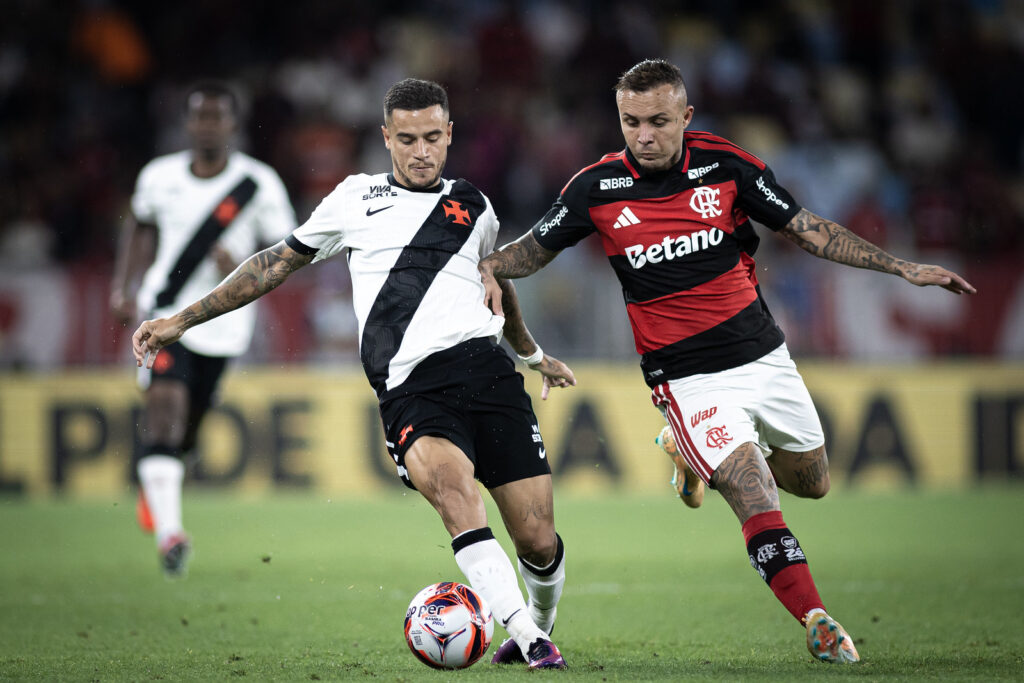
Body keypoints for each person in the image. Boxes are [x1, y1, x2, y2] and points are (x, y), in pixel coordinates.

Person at [477, 59, 976, 664]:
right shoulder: (595, 189)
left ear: (686, 116)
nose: (644, 136)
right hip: (686, 378)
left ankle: (686, 455)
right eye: (631, 123)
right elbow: (532, 251)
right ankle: (816, 617)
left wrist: (901, 267)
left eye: (659, 122)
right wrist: (484, 264)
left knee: (813, 483)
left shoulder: (726, 165)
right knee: (752, 486)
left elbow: (806, 228)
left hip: (763, 355)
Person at [130, 78, 574, 670]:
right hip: (412, 389)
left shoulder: (475, 205)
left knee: (538, 540)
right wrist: (181, 320)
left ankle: (535, 626)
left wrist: (532, 355)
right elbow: (271, 265)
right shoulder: (355, 199)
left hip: (488, 374)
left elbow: (498, 286)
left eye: (432, 137)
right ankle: (531, 638)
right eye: (407, 139)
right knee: (454, 494)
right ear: (386, 137)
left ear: (450, 135)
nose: (421, 151)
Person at [110, 81, 297, 577]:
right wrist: (123, 287)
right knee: (165, 410)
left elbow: (286, 252)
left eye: (217, 117)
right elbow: (140, 226)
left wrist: (240, 262)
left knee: (186, 430)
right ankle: (171, 535)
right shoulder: (159, 176)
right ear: (187, 122)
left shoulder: (259, 184)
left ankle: (159, 479)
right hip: (164, 310)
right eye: (200, 116)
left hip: (223, 323)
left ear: (233, 124)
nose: (207, 126)